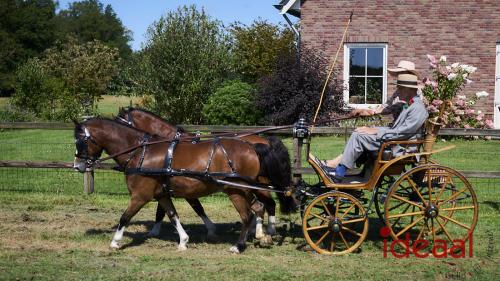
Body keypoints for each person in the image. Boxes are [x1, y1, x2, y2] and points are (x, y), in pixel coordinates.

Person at [321, 72, 429, 182]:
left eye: (400, 88)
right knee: (360, 131)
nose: (397, 91)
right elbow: (396, 128)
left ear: (409, 90)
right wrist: (373, 129)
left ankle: (339, 173)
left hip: (399, 148)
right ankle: (345, 170)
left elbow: (403, 133)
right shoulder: (409, 104)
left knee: (359, 136)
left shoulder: (418, 109)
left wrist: (375, 132)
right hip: (395, 142)